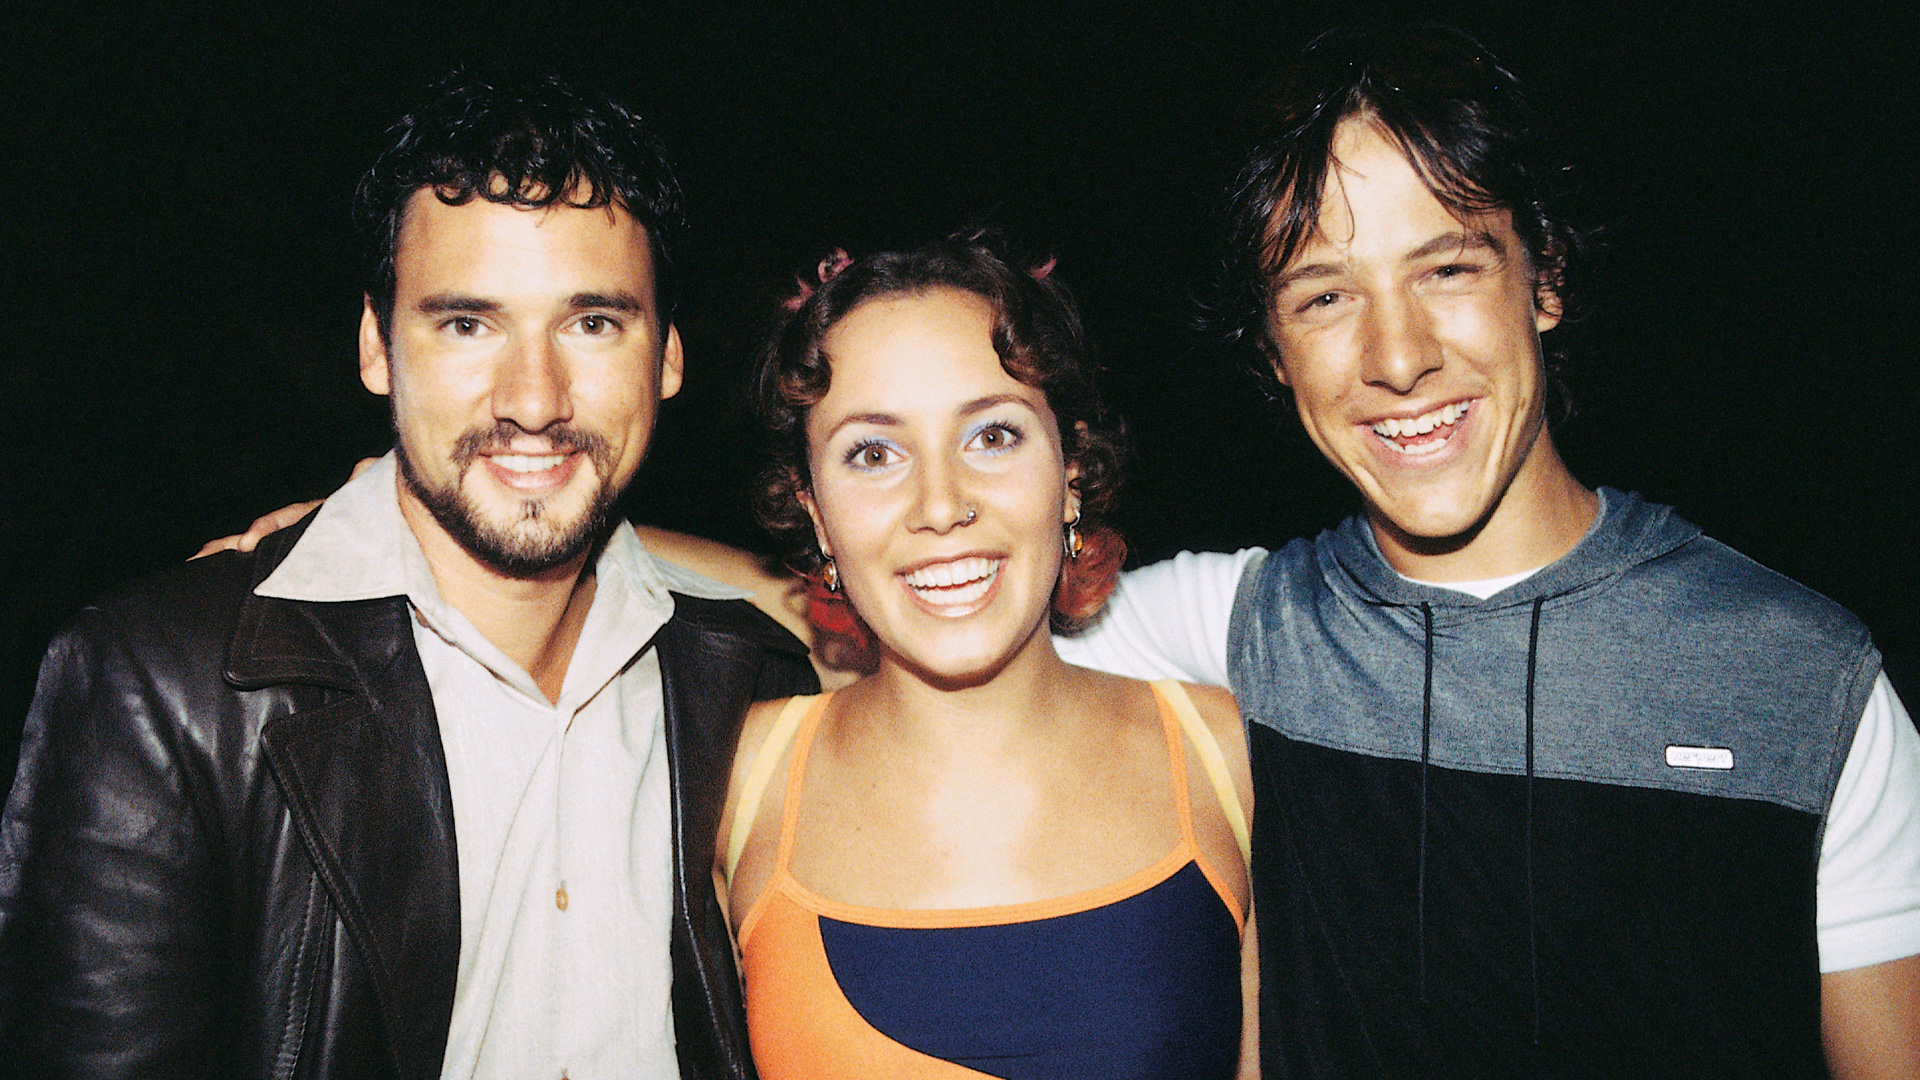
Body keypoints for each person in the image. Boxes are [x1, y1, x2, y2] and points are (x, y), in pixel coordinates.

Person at [1054, 24, 1920, 1078]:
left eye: (1448, 269)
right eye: (1325, 297)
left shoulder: (1801, 677)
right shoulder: (1240, 632)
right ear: (1273, 352)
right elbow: (933, 643)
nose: (1399, 357)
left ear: (1543, 279)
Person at [0, 72, 815, 1078]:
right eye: (467, 323)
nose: (532, 399)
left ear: (668, 357)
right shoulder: (163, 685)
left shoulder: (749, 680)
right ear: (376, 348)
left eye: (592, 322)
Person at [720, 235, 1257, 1078]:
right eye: (873, 454)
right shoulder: (735, 781)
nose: (940, 505)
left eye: (993, 436)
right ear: (815, 512)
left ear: (1070, 471)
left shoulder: (1221, 752)